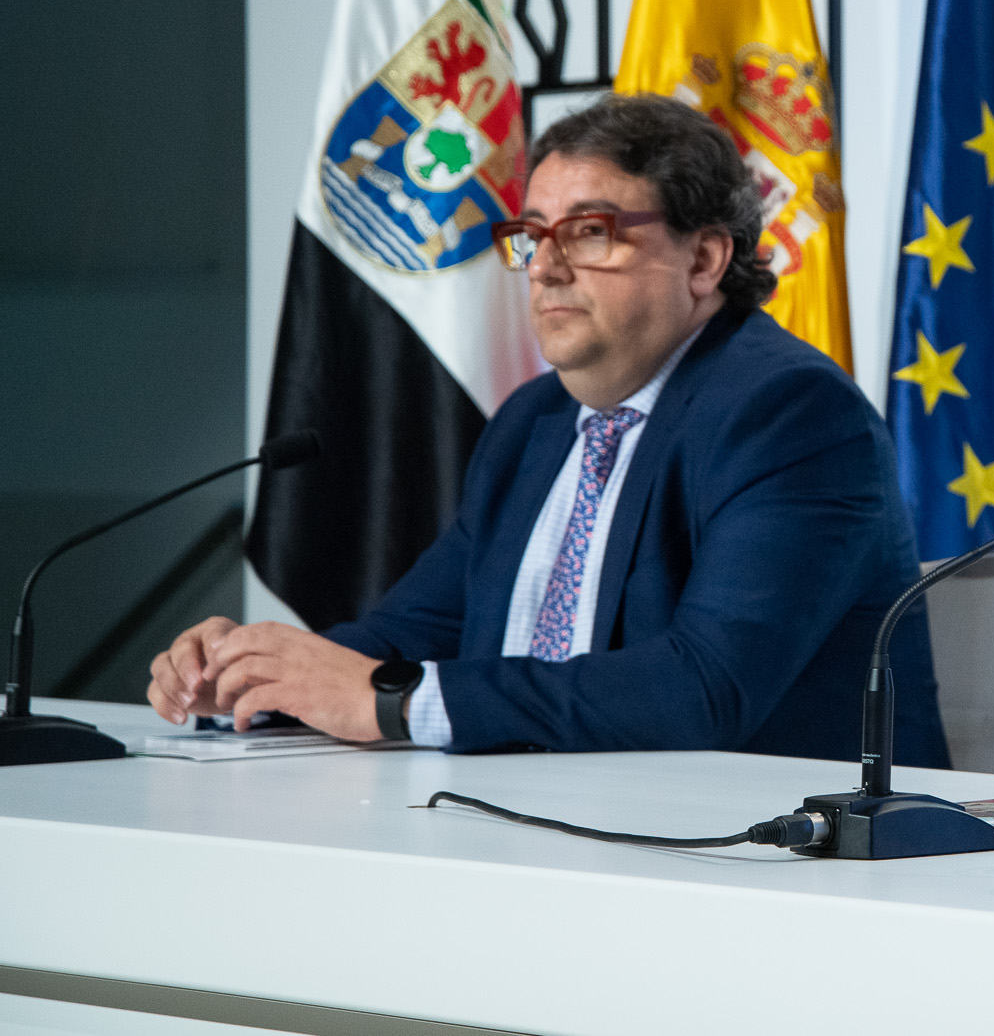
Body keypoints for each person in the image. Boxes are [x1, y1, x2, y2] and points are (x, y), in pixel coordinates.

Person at [148, 96, 948, 765]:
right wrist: (261, 677)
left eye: (589, 232)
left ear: (704, 260)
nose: (544, 267)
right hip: (542, 830)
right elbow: (412, 633)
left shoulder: (790, 416)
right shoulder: (534, 423)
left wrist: (389, 702)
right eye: (532, 236)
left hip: (770, 872)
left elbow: (704, 689)